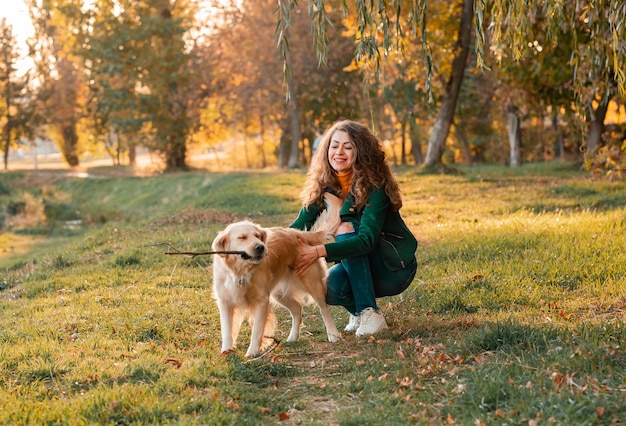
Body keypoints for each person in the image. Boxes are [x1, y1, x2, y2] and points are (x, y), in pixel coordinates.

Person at [291, 119, 418, 336]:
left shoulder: (375, 187)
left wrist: (319, 251)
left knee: (344, 228)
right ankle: (359, 313)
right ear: (326, 150)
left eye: (348, 147)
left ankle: (370, 312)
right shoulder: (326, 185)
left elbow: (366, 240)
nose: (339, 152)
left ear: (362, 152)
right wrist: (266, 242)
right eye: (334, 145)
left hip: (393, 267)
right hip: (360, 266)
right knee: (327, 288)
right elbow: (297, 227)